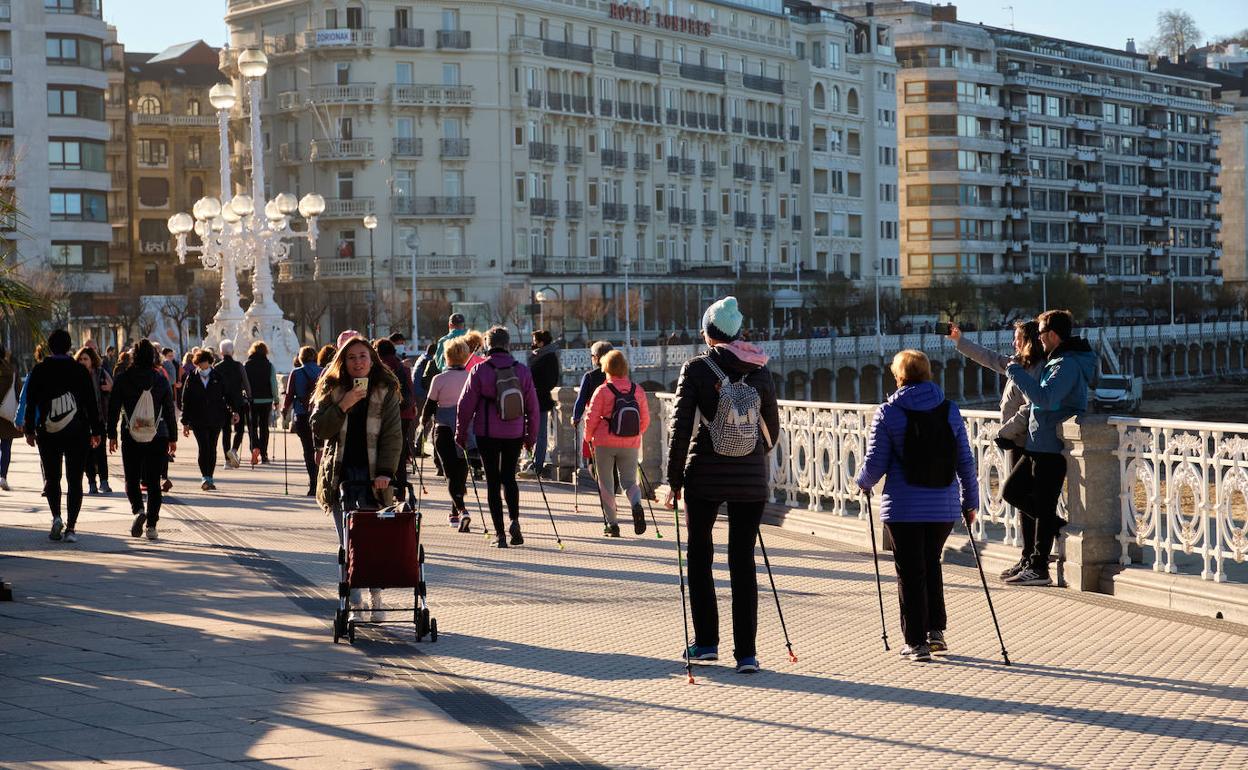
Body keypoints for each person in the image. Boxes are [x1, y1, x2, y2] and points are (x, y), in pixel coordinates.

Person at [664, 297, 780, 674]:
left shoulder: (697, 368)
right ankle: (747, 653)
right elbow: (772, 430)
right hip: (750, 479)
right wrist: (749, 456)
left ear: (708, 332)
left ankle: (707, 644)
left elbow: (681, 429)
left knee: (700, 558)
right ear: (737, 332)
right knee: (743, 562)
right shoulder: (759, 368)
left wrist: (674, 479)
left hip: (705, 478)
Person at [855, 350, 979, 662]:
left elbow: (876, 463)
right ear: (927, 374)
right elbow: (964, 460)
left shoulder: (887, 412)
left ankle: (915, 642)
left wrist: (862, 482)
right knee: (931, 562)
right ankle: (936, 631)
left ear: (899, 376)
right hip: (943, 506)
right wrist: (971, 501)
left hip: (904, 507)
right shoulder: (950, 410)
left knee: (910, 571)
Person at [310, 335, 403, 619]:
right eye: (351, 358)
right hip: (341, 475)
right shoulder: (332, 387)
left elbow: (392, 434)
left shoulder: (385, 389)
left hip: (375, 476)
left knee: (373, 540)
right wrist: (344, 404)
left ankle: (376, 597)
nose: (358, 362)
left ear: (372, 358)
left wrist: (387, 472)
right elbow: (318, 428)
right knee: (347, 540)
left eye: (363, 356)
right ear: (343, 362)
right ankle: (355, 600)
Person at [1002, 309, 1097, 587]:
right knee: (1012, 491)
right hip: (1037, 443)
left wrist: (1017, 373)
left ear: (1053, 335)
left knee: (1042, 504)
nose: (1039, 338)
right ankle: (1054, 530)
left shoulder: (1066, 364)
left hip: (1050, 447)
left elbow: (1046, 399)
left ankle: (1039, 567)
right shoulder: (1057, 360)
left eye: (1041, 333)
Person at [947, 321, 1046, 580]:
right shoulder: (1018, 363)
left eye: (1018, 339)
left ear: (1029, 341)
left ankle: (1040, 550)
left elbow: (1030, 408)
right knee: (1022, 503)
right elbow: (989, 358)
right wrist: (960, 341)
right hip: (1017, 440)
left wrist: (1005, 432)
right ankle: (1027, 557)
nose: (1014, 343)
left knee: (1016, 494)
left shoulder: (1036, 368)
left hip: (1027, 441)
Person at [455, 326, 539, 548]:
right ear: (508, 344)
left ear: (487, 345)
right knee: (509, 478)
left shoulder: (480, 370)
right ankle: (514, 521)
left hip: (487, 433)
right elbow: (533, 407)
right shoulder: (522, 370)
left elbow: (465, 406)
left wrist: (460, 432)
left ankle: (500, 534)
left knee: (493, 481)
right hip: (514, 432)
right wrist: (531, 437)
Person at [23, 329, 103, 543]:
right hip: (77, 431)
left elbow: (32, 403)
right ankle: (72, 528)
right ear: (69, 347)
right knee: (74, 480)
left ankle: (56, 517)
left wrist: (29, 429)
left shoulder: (39, 370)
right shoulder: (79, 371)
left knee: (52, 477)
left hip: (48, 431)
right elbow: (90, 403)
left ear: (50, 347)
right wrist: (97, 431)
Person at [108, 340, 177, 540]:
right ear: (153, 357)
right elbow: (170, 410)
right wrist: (173, 437)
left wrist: (111, 434)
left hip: (131, 434)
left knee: (131, 478)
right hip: (158, 434)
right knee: (154, 482)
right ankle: (152, 526)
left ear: (133, 356)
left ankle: (139, 510)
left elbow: (114, 408)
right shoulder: (160, 379)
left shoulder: (122, 379)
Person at [582, 350, 650, 537]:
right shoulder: (638, 390)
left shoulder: (602, 390)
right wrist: (635, 435)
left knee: (606, 484)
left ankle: (612, 525)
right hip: (630, 443)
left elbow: (591, 418)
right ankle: (636, 503)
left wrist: (588, 438)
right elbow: (645, 419)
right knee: (629, 481)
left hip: (604, 443)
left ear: (606, 368)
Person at [422, 337, 473, 529]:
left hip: (444, 430)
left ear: (446, 357)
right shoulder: (470, 377)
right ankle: (454, 513)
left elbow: (429, 407)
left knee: (450, 473)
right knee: (460, 473)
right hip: (466, 430)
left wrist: (423, 422)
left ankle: (461, 510)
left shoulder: (439, 379)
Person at [180, 349, 233, 491]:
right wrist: (185, 421)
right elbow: (186, 400)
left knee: (212, 447)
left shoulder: (217, 376)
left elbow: (227, 396)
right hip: (198, 419)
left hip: (216, 418)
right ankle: (205, 477)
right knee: (204, 447)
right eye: (200, 363)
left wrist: (233, 411)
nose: (202, 365)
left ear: (209, 362)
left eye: (205, 362)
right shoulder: (192, 377)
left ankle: (210, 476)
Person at [375, 338, 415, 498]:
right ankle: (401, 489)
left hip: (383, 415)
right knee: (400, 451)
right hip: (403, 414)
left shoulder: (378, 368)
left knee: (382, 450)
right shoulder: (402, 367)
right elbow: (410, 392)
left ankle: (384, 489)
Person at [282, 345, 323, 495]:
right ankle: (320, 479)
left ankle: (312, 483)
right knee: (320, 448)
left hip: (302, 414)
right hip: (319, 414)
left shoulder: (296, 372)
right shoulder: (322, 371)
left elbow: (289, 395)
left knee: (308, 449)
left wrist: (285, 409)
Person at [520, 330, 559, 479]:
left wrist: (536, 389)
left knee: (540, 434)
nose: (532, 343)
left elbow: (551, 380)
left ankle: (537, 465)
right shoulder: (538, 356)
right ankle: (533, 463)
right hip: (532, 398)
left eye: (535, 340)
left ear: (541, 342)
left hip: (541, 400)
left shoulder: (549, 357)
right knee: (532, 432)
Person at [76, 346, 113, 495]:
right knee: (87, 453)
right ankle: (92, 483)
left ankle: (104, 481)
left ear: (92, 360)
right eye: (81, 359)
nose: (83, 361)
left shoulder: (100, 373)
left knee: (100, 452)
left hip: (99, 417)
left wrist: (109, 388)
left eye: (86, 359)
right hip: (81, 419)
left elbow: (112, 386)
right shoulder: (75, 374)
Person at [214, 339, 251, 468]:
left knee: (226, 431)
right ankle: (234, 450)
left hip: (223, 402)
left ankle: (227, 460)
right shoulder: (239, 365)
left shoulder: (217, 367)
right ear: (233, 352)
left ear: (221, 352)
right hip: (238, 401)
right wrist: (249, 397)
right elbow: (246, 383)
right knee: (239, 429)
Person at [243, 341, 279, 465]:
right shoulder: (269, 365)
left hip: (252, 400)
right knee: (264, 427)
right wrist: (276, 400)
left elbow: (243, 383)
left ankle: (254, 448)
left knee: (252, 426)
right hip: (266, 400)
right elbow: (274, 384)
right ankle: (264, 454)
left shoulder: (246, 365)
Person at [0, 345, 22, 491]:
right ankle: (2, 476)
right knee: (6, 446)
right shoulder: (13, 370)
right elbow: (19, 391)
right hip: (6, 413)